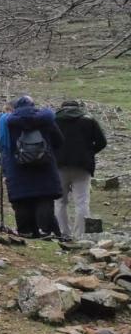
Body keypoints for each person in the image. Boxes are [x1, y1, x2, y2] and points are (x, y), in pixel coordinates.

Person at [0, 95, 64, 237]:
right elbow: (59, 141)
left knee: (22, 200)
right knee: (44, 198)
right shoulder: (46, 120)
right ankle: (46, 231)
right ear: (33, 106)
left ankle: (26, 232)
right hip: (44, 168)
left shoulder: (6, 122)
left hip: (16, 169)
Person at [52, 98, 107, 239]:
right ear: (78, 108)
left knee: (59, 201)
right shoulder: (89, 120)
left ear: (62, 108)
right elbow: (102, 142)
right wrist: (89, 152)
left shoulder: (54, 120)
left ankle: (63, 233)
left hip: (59, 165)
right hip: (83, 165)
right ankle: (79, 235)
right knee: (82, 201)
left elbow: (47, 141)